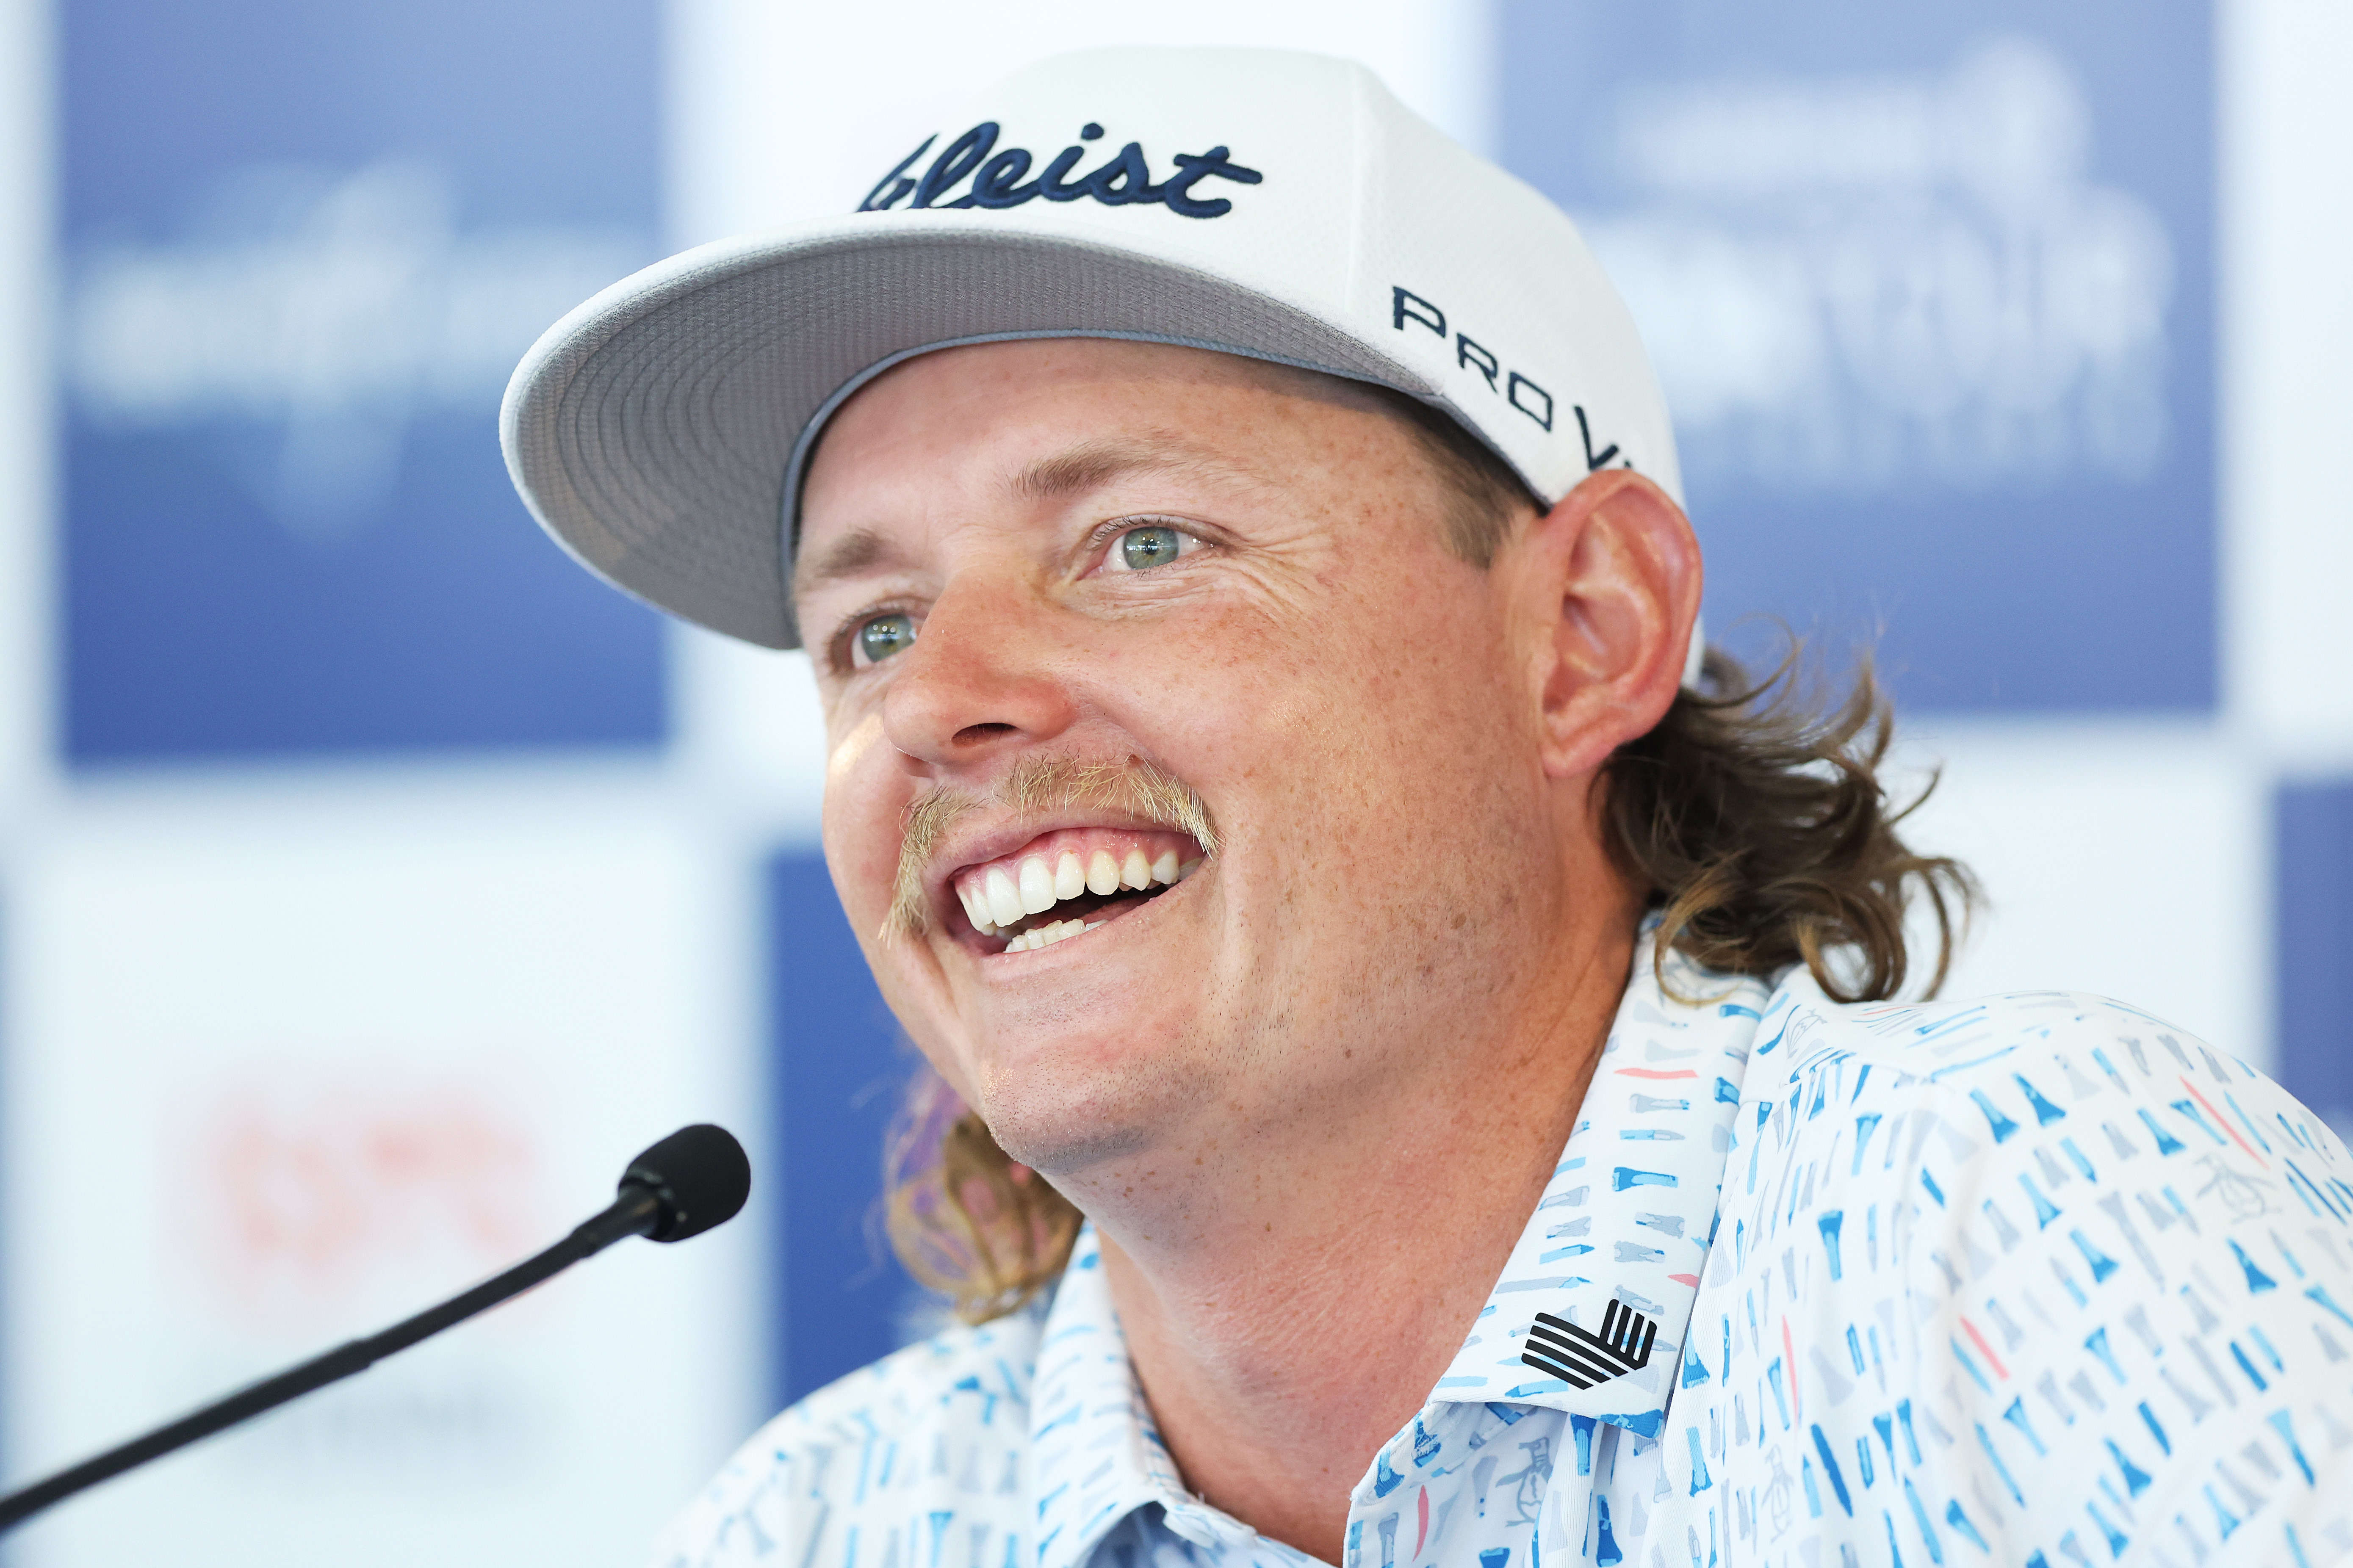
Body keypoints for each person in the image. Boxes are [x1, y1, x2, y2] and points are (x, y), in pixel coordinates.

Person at [501, 46, 2353, 1568]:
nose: (935, 699)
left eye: (1142, 541)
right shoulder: (829, 1526)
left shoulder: (2005, 1217)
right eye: (870, 623)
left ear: (1584, 634)